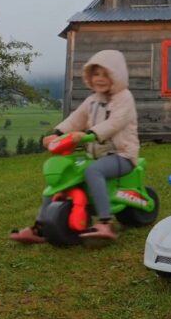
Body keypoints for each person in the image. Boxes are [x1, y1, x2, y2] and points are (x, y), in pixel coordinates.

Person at [10, 49, 140, 243]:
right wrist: (57, 134)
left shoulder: (125, 98)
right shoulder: (92, 100)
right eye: (96, 74)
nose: (100, 79)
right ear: (90, 76)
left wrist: (90, 134)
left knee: (93, 172)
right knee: (62, 176)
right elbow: (75, 119)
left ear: (117, 75)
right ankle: (39, 228)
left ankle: (105, 222)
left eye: (106, 74)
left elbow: (115, 123)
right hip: (96, 155)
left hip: (121, 154)